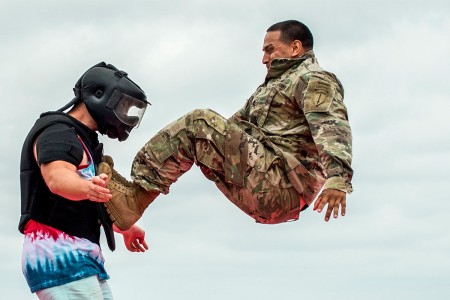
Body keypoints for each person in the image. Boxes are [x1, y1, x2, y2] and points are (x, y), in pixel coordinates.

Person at [102, 19, 353, 232]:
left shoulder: (313, 79)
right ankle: (136, 192)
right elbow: (233, 128)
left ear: (296, 47)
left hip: (282, 184)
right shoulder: (272, 87)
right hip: (266, 181)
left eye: (270, 49)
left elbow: (331, 125)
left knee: (199, 122)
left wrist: (338, 178)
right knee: (201, 131)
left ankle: (135, 201)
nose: (264, 59)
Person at [19, 62, 150, 299]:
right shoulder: (58, 132)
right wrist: (86, 187)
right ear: (99, 95)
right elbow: (57, 177)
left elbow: (82, 206)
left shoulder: (83, 141)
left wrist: (125, 228)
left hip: (80, 259)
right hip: (59, 258)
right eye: (123, 106)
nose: (126, 117)